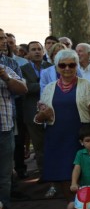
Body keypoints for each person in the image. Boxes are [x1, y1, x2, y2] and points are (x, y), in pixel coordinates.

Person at [36, 49, 90, 209]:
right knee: (64, 175)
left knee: (85, 172)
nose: (67, 68)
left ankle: (89, 208)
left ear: (76, 66)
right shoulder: (49, 88)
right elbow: (41, 115)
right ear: (56, 67)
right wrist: (42, 114)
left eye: (72, 65)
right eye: (62, 65)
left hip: (80, 135)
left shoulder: (86, 85)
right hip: (56, 136)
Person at [0, 30, 27, 209]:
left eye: (3, 39)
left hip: (5, 129)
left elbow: (23, 89)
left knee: (4, 177)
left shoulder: (7, 65)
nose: (3, 42)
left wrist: (6, 79)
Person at [20, 41, 50, 176]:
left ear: (43, 52)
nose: (37, 52)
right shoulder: (22, 69)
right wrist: (45, 85)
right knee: (39, 146)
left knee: (52, 143)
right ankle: (44, 173)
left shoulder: (51, 67)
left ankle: (55, 173)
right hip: (32, 112)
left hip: (51, 111)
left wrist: (36, 85)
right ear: (28, 53)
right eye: (33, 49)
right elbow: (26, 88)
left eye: (39, 49)